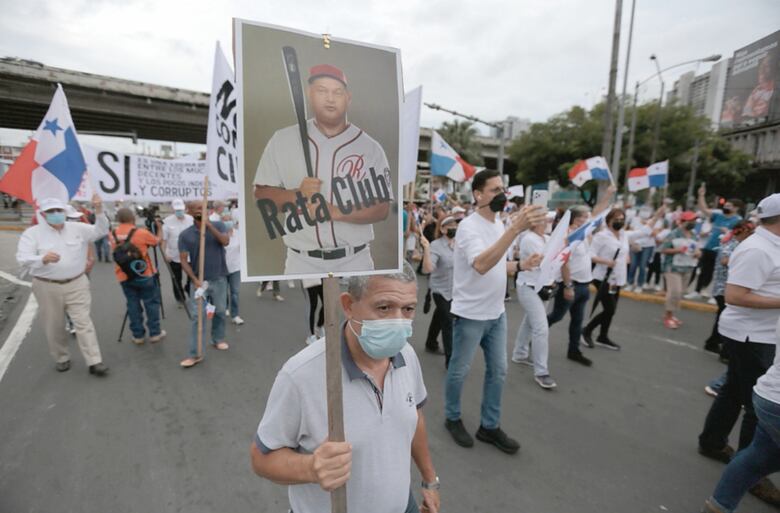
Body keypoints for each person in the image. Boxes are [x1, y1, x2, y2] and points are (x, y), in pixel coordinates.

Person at [250, 264, 440, 513]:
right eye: (384, 308)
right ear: (348, 305)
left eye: (408, 309)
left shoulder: (406, 355)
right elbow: (261, 458)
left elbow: (414, 417)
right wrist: (311, 467)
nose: (397, 321)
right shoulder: (301, 375)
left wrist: (429, 479)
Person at [253, 64, 393, 275]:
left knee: (355, 309)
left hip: (355, 260)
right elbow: (261, 196)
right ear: (310, 94)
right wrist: (296, 195)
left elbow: (382, 207)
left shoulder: (370, 148)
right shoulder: (282, 140)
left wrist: (336, 211)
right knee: (301, 310)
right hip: (302, 260)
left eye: (337, 92)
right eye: (322, 91)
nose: (330, 98)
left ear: (348, 98)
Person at [444, 169, 545, 454]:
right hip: (470, 314)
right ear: (478, 195)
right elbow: (481, 264)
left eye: (503, 188)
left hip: (496, 313)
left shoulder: (500, 224)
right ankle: (452, 418)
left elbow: (499, 264)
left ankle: (489, 426)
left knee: (499, 372)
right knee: (459, 371)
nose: (502, 194)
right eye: (495, 190)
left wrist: (522, 266)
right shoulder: (468, 227)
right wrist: (515, 229)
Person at [697, 193, 780, 507]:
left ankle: (712, 442)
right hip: (750, 335)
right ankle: (751, 471)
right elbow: (734, 295)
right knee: (755, 404)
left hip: (758, 334)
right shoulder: (758, 249)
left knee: (733, 390)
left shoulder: (770, 246)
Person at [16, 195, 109, 376]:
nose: (56, 214)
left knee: (84, 323)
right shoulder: (32, 234)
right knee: (54, 325)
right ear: (43, 214)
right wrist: (41, 258)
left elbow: (100, 231)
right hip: (47, 286)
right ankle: (61, 357)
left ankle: (94, 361)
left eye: (59, 210)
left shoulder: (77, 228)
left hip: (77, 283)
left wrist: (98, 210)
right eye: (51, 211)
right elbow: (22, 258)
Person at [546, 188, 616, 367]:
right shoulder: (569, 236)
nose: (585, 220)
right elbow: (564, 262)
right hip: (571, 286)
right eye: (581, 217)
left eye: (586, 217)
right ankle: (535, 333)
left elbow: (597, 211)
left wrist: (607, 194)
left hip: (584, 285)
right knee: (556, 317)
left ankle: (574, 351)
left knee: (577, 321)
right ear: (572, 218)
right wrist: (568, 286)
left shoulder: (585, 232)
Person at [178, 201, 230, 368]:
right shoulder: (185, 235)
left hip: (219, 278)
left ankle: (218, 338)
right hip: (199, 283)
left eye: (205, 207)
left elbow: (225, 241)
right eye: (199, 208)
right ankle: (195, 354)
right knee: (197, 317)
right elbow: (183, 261)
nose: (203, 210)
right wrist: (194, 279)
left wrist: (208, 226)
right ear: (190, 212)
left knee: (220, 311)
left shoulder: (218, 225)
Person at [511, 215, 556, 389]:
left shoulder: (547, 238)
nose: (548, 223)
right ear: (536, 223)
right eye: (545, 220)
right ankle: (541, 372)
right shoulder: (529, 239)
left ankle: (519, 353)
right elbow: (544, 261)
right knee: (541, 328)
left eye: (549, 220)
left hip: (544, 288)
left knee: (530, 322)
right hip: (528, 287)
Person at [110, 207, 165, 344]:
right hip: (144, 273)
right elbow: (157, 241)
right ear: (133, 218)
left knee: (132, 304)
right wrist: (159, 228)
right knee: (151, 303)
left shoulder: (112, 234)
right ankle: (155, 333)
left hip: (123, 275)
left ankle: (138, 335)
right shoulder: (141, 232)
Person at [704, 221, 756, 353]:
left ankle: (714, 342)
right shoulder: (730, 242)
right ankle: (721, 347)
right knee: (726, 316)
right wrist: (746, 258)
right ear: (743, 231)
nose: (752, 234)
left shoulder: (741, 243)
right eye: (750, 231)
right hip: (723, 287)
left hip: (729, 286)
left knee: (723, 315)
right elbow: (724, 260)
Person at [582, 209, 629, 350]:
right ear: (608, 220)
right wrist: (606, 261)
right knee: (610, 309)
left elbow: (643, 233)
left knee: (611, 309)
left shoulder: (623, 235)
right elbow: (590, 254)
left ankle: (603, 336)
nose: (619, 221)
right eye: (616, 219)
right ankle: (587, 330)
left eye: (622, 219)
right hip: (603, 277)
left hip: (617, 279)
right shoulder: (601, 236)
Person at [688, 185, 743, 300]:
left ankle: (715, 295)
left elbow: (739, 235)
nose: (725, 207)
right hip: (709, 247)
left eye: (729, 206)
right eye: (726, 205)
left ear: (736, 208)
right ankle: (698, 290)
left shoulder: (738, 220)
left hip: (723, 251)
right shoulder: (718, 215)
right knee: (704, 270)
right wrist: (701, 195)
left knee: (719, 273)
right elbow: (704, 209)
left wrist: (728, 232)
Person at [420, 216, 457, 366]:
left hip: (454, 289)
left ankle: (430, 343)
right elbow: (427, 268)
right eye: (450, 226)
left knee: (440, 315)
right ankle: (451, 360)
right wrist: (427, 249)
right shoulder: (436, 245)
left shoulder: (460, 245)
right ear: (442, 229)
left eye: (455, 225)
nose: (454, 228)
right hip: (439, 290)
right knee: (448, 320)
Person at [659, 211, 700, 329]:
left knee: (680, 293)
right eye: (690, 220)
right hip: (672, 267)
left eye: (694, 220)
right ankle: (668, 316)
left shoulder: (693, 234)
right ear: (682, 221)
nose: (693, 223)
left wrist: (698, 253)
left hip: (688, 267)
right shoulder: (673, 234)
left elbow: (697, 249)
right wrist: (678, 250)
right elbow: (663, 249)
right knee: (674, 292)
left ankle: (671, 314)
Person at [161, 199, 193, 303]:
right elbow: (164, 240)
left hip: (190, 255)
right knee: (176, 278)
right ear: (173, 210)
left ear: (185, 209)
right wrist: (165, 253)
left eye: (181, 210)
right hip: (174, 256)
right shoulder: (167, 222)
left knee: (192, 276)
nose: (179, 212)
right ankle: (180, 297)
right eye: (177, 210)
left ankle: (188, 288)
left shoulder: (191, 219)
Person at [224, 209, 244, 325]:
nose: (227, 223)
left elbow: (243, 248)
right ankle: (225, 307)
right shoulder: (220, 234)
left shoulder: (238, 234)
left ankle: (235, 315)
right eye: (225, 221)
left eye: (229, 220)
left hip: (236, 268)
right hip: (223, 268)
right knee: (224, 292)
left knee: (235, 292)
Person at [302, 278, 324, 345]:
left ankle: (319, 327)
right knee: (312, 305)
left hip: (322, 276)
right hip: (309, 276)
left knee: (327, 303)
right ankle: (310, 336)